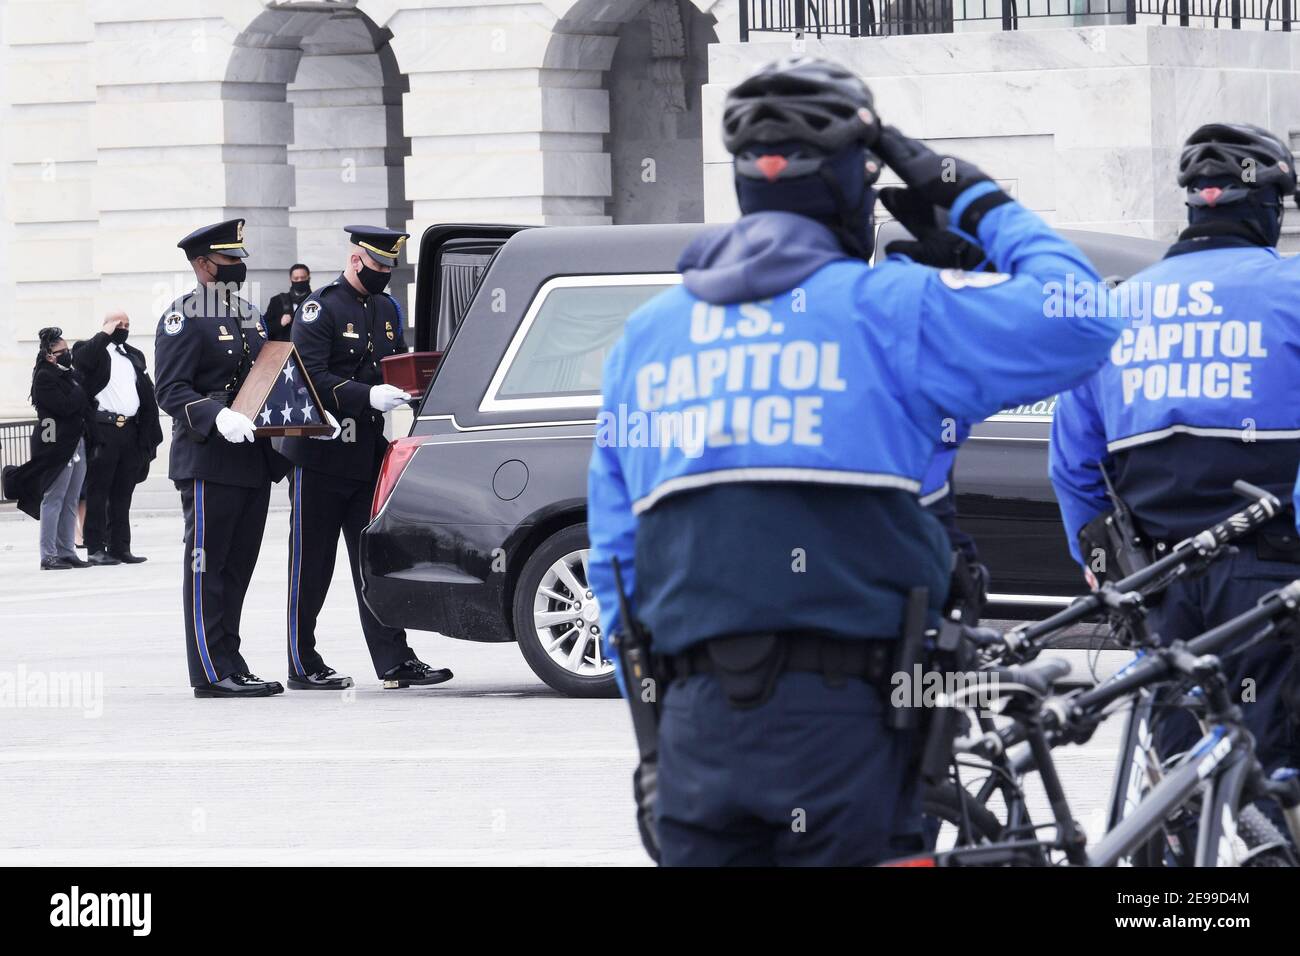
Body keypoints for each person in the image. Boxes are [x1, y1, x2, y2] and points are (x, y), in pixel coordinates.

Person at [586, 56, 1124, 866]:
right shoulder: (896, 311)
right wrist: (972, 196)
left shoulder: (648, 339)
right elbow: (1082, 316)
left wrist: (660, 738)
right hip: (854, 731)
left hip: (696, 736)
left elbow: (615, 566)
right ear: (849, 190)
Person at [1050, 122, 1300, 788]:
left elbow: (1073, 464)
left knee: (1178, 775)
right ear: (1269, 207)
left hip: (1155, 581)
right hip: (1270, 582)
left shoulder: (1115, 309)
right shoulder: (1291, 291)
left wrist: (1102, 566)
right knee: (1270, 772)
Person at [279, 225, 452, 691]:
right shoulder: (319, 307)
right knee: (311, 565)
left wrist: (412, 387)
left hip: (366, 454)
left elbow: (393, 363)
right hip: (319, 455)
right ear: (356, 261)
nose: (383, 276)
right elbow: (311, 375)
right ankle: (302, 662)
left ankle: (394, 660)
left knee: (373, 561)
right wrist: (365, 394)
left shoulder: (386, 307)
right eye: (377, 267)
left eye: (389, 269)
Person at [154, 218, 288, 698]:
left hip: (251, 458)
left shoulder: (250, 314)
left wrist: (309, 414)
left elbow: (271, 376)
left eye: (239, 260)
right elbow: (169, 390)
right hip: (210, 458)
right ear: (202, 265)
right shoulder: (182, 317)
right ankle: (210, 671)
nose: (236, 267)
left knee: (238, 568)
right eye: (228, 261)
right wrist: (217, 416)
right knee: (208, 568)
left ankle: (232, 659)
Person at [72, 312, 163, 565]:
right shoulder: (91, 349)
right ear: (105, 325)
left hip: (130, 431)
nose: (122, 328)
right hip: (104, 429)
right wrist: (105, 334)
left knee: (123, 493)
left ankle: (120, 546)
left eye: (126, 325)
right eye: (117, 324)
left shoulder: (132, 354)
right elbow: (80, 360)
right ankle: (95, 547)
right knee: (98, 492)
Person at [1, 328, 94, 570]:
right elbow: (65, 407)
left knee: (72, 498)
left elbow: (83, 405)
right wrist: (79, 389)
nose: (67, 355)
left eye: (68, 350)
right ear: (50, 355)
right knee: (55, 497)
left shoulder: (69, 376)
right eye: (61, 352)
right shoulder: (45, 377)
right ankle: (48, 554)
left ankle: (66, 551)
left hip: (77, 441)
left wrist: (78, 389)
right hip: (57, 445)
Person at [264, 263, 312, 342]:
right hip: (283, 351)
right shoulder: (277, 301)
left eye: (303, 278)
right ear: (290, 280)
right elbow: (264, 328)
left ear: (309, 278)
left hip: (307, 349)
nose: (299, 281)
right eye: (296, 278)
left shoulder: (316, 301)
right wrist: (280, 323)